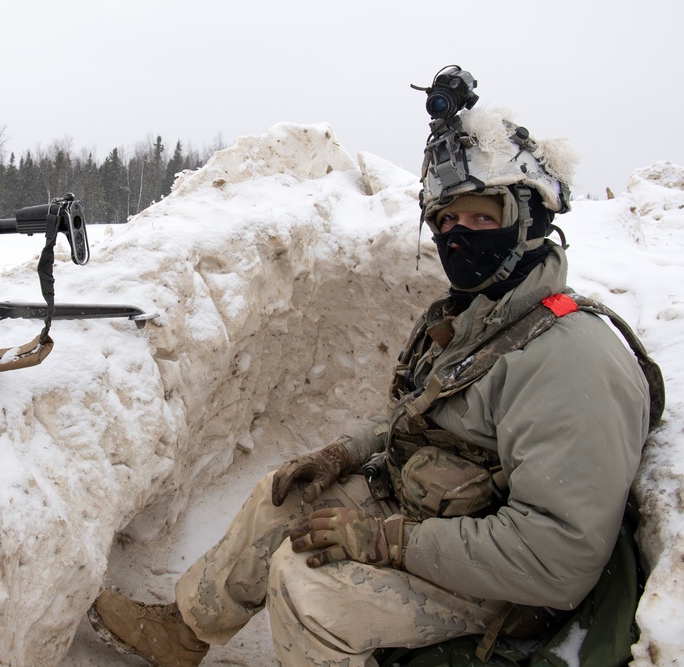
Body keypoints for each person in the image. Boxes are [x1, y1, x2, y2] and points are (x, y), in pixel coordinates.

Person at [87, 97, 658, 667]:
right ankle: (184, 635)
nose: (458, 236)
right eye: (445, 220)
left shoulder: (570, 357)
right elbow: (423, 413)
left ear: (530, 221)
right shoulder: (474, 319)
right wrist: (345, 451)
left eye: (482, 216)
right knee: (283, 495)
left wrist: (389, 541)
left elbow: (555, 557)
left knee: (306, 584)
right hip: (427, 513)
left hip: (501, 582)